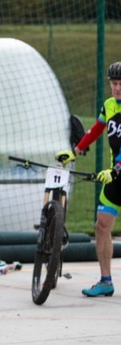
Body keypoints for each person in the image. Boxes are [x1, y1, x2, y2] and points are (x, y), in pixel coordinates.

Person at [56, 61, 121, 298]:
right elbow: (96, 130)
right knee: (102, 226)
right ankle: (106, 281)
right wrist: (76, 150)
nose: (117, 88)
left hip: (117, 172)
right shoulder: (110, 105)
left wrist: (116, 169)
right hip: (116, 178)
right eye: (114, 84)